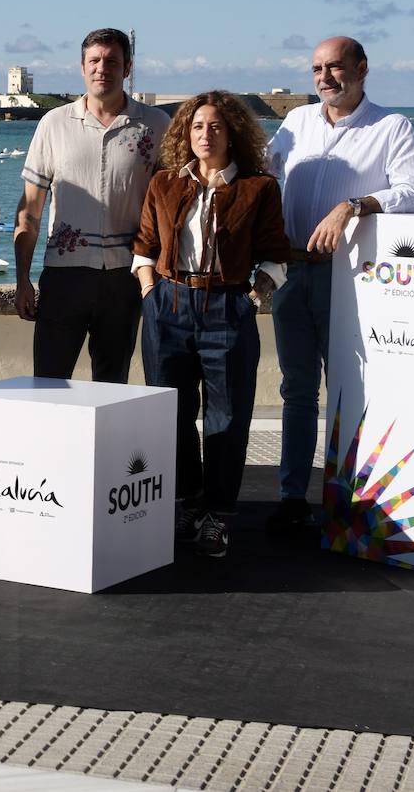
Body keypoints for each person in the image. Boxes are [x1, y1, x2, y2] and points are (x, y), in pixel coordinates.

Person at [265, 36, 414, 534]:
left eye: (335, 67)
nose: (324, 77)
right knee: (296, 392)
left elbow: (413, 190)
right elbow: (263, 177)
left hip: (348, 281)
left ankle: (350, 498)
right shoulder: (296, 123)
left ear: (361, 69)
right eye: (317, 69)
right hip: (291, 275)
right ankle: (293, 497)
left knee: (347, 389)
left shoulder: (391, 126)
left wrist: (353, 205)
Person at [132, 91, 290, 557]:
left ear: (233, 133)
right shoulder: (164, 183)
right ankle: (187, 501)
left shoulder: (258, 187)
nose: (206, 134)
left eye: (216, 126)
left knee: (226, 418)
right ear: (186, 132)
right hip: (168, 305)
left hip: (227, 308)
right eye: (198, 126)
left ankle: (218, 515)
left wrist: (252, 299)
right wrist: (149, 291)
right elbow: (143, 243)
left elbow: (277, 256)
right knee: (170, 414)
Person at [13, 28, 171, 383]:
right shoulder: (53, 124)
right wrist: (23, 279)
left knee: (112, 385)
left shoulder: (157, 125)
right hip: (64, 275)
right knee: (49, 383)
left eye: (112, 61)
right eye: (95, 61)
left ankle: (107, 443)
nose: (103, 68)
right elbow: (29, 212)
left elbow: (171, 208)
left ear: (127, 67)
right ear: (82, 67)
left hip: (125, 276)